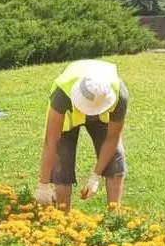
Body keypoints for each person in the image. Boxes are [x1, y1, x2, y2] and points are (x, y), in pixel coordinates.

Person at [36, 59, 128, 210]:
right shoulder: (62, 94)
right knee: (61, 163)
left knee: (115, 158)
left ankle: (114, 217)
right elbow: (51, 141)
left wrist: (95, 177)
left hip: (104, 112)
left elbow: (112, 139)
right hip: (68, 117)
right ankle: (63, 220)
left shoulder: (119, 95)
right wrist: (43, 185)